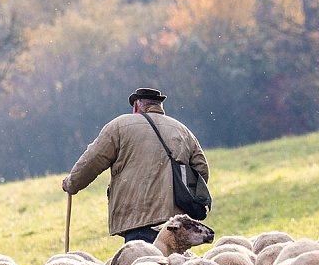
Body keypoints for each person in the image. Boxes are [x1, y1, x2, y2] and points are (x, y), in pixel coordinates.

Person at [62, 87, 209, 243]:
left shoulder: (119, 126)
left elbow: (92, 161)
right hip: (175, 225)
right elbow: (202, 170)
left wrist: (72, 184)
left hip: (137, 218)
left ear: (137, 105)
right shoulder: (182, 130)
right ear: (160, 106)